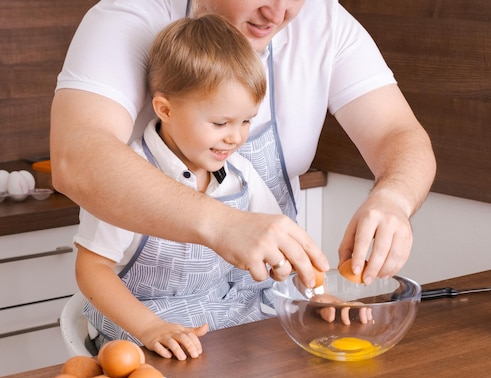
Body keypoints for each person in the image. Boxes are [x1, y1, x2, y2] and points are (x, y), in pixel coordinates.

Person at [51, 0, 436, 346]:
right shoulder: (127, 18)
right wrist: (223, 225)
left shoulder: (324, 21)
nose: (278, 12)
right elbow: (76, 158)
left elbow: (397, 132)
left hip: (245, 320)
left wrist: (393, 199)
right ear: (164, 108)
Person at [74, 14, 283, 360]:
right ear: (165, 109)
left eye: (247, 120)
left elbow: (277, 243)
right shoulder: (125, 178)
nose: (236, 137)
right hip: (145, 329)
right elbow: (91, 269)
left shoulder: (240, 173)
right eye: (220, 123)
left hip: (221, 319)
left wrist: (317, 295)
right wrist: (150, 327)